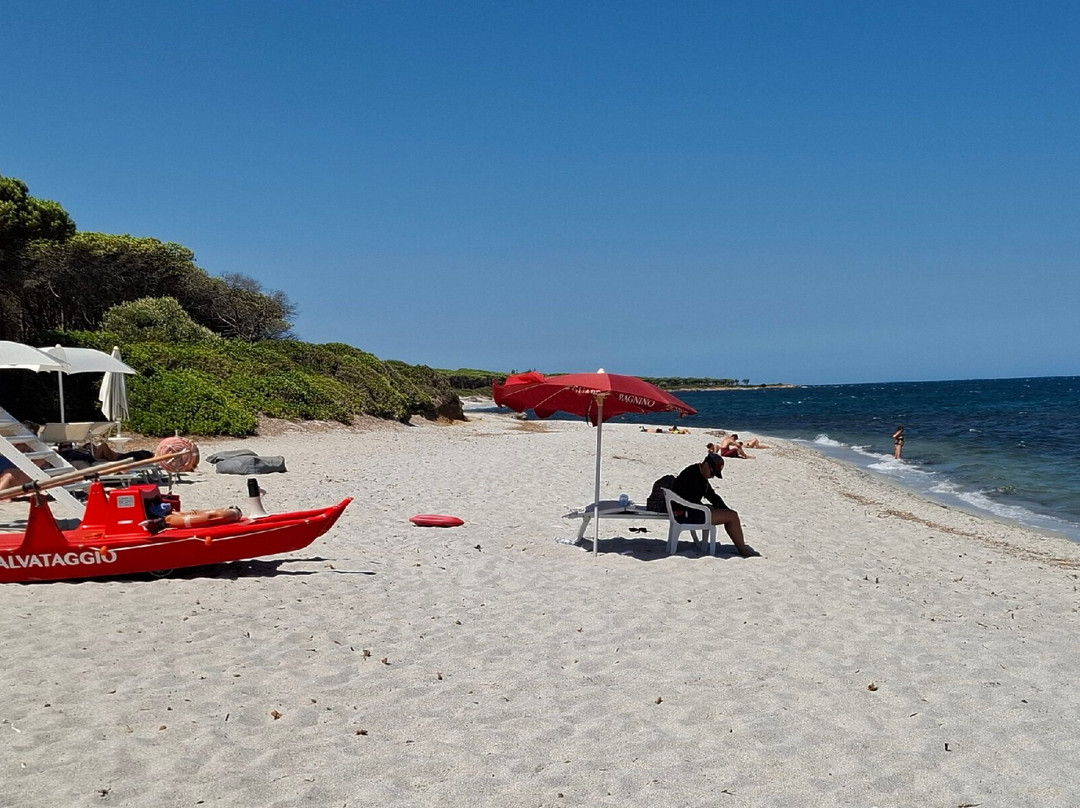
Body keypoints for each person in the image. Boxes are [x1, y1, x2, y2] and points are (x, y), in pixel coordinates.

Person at [671, 452, 758, 557]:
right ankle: (743, 551)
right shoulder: (693, 476)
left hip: (686, 511)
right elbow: (689, 499)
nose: (712, 477)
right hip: (684, 514)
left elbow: (712, 496)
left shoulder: (697, 473)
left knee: (729, 513)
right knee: (732, 516)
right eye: (712, 473)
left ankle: (742, 548)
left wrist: (725, 510)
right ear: (706, 465)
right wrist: (708, 508)